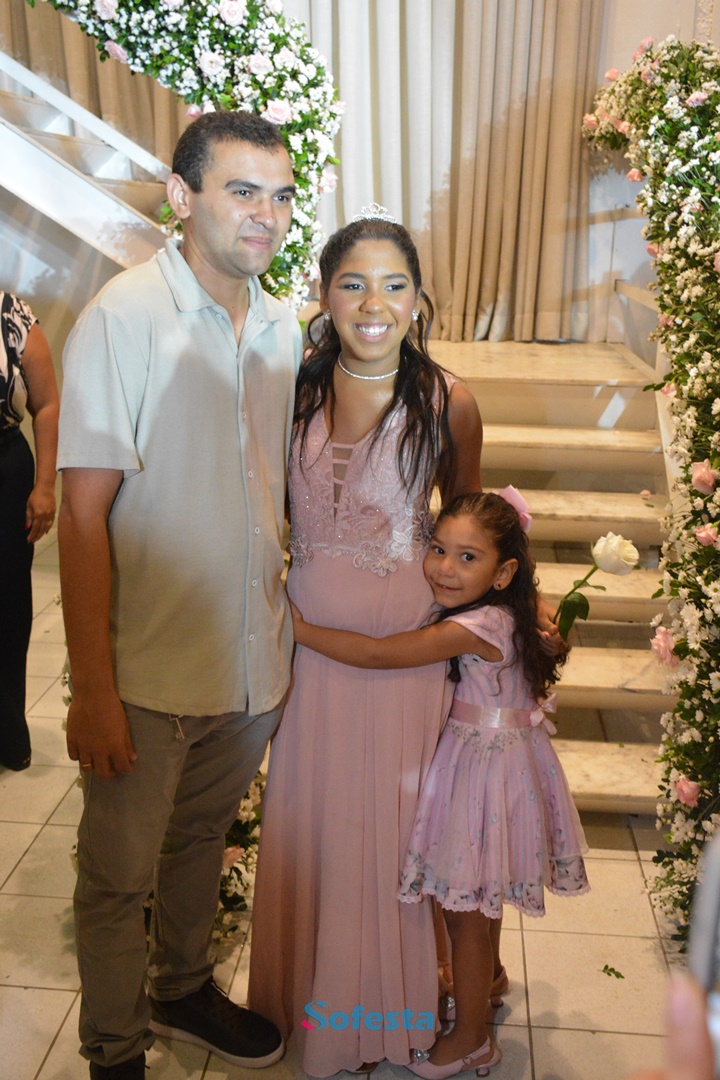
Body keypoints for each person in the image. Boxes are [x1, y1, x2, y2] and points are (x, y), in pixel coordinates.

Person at [56, 111, 301, 1080]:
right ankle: (115, 1050)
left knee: (202, 839)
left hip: (249, 662)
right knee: (117, 877)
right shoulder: (125, 318)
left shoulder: (282, 328)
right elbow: (82, 518)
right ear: (181, 195)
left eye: (281, 196)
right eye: (242, 191)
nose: (266, 215)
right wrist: (93, 688)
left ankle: (182, 987)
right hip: (147, 668)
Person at [247, 210, 484, 1076]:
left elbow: (471, 532)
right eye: (352, 283)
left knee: (389, 835)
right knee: (311, 824)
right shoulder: (292, 388)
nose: (373, 303)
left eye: (393, 285)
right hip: (305, 647)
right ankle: (309, 1005)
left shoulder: (449, 401)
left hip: (400, 653)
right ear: (323, 294)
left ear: (418, 299)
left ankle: (383, 1016)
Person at [292, 491, 589, 1078]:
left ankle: (472, 1039)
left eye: (467, 557)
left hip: (482, 777)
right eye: (437, 549)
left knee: (464, 915)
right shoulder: (508, 612)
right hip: (505, 767)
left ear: (504, 572)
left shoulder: (477, 625)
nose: (445, 568)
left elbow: (377, 655)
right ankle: (488, 983)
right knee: (483, 898)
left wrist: (300, 631)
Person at [0, 292, 58, 771]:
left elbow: (48, 404)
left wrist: (44, 485)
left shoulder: (11, 315)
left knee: (7, 602)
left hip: (5, 473)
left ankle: (7, 735)